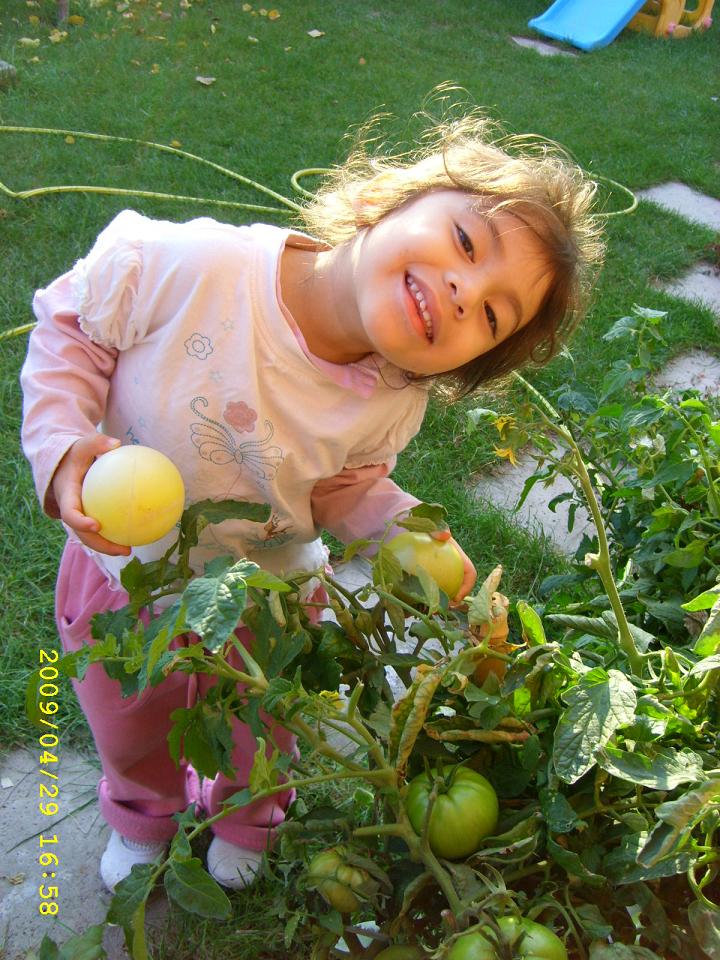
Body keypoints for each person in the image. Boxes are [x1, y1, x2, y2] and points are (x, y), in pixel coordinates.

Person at [20, 108, 604, 893]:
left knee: (261, 721)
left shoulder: (393, 396)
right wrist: (60, 447)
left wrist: (417, 546)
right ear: (393, 200)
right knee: (129, 720)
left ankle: (247, 814)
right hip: (125, 576)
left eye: (494, 315)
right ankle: (143, 811)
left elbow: (343, 489)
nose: (466, 291)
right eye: (467, 243)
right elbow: (73, 325)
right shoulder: (190, 267)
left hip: (269, 591)